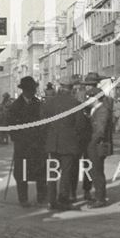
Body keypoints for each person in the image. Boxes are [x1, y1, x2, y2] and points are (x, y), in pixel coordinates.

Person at [43, 80, 89, 210]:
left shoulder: (49, 103)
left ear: (60, 88)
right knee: (66, 173)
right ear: (72, 89)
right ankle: (63, 200)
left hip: (53, 143)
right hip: (69, 144)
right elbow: (81, 125)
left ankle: (51, 201)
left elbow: (42, 123)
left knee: (52, 172)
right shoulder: (75, 104)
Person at [7, 76, 47, 207]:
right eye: (30, 89)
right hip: (23, 146)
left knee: (41, 171)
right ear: (24, 90)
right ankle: (23, 199)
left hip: (38, 144)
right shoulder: (15, 106)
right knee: (22, 173)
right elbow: (11, 127)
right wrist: (18, 139)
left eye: (34, 89)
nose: (33, 92)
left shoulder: (39, 104)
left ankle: (41, 197)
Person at [85, 86, 113, 208]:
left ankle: (100, 199)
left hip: (98, 145)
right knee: (94, 171)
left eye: (89, 98)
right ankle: (98, 196)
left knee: (97, 172)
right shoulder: (96, 109)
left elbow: (100, 131)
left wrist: (91, 144)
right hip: (95, 145)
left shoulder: (102, 110)